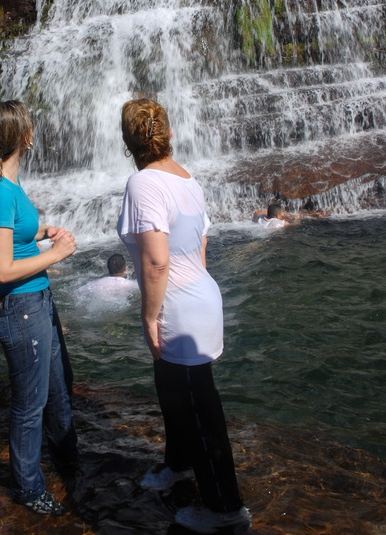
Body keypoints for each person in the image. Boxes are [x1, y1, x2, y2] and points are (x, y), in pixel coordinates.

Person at [117, 98, 251, 534]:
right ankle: (178, 464)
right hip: (199, 296)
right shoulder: (187, 178)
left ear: (128, 142)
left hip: (176, 306)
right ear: (169, 134)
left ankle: (226, 510)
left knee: (199, 407)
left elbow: (157, 262)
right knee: (173, 391)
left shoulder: (143, 183)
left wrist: (149, 316)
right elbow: (202, 242)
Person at [0, 100, 78, 517]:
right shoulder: (0, 192)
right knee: (30, 405)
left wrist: (42, 232)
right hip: (18, 307)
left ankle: (68, 463)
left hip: (35, 301)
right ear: (25, 137)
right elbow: (0, 270)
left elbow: (14, 235)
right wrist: (56, 254)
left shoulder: (9, 186)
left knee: (59, 388)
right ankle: (28, 489)